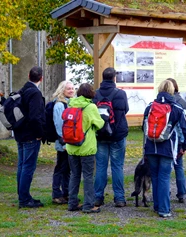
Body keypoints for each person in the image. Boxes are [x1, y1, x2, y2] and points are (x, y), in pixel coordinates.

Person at [143, 79, 186, 217]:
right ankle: (164, 209)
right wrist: (184, 145)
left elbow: (143, 128)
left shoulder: (150, 107)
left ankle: (157, 206)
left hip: (151, 146)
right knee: (164, 176)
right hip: (167, 147)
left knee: (155, 176)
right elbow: (184, 130)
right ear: (171, 90)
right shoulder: (177, 108)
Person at [94, 67, 129, 207]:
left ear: (103, 78)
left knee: (101, 166)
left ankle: (98, 197)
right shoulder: (121, 94)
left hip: (100, 134)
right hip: (117, 134)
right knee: (117, 166)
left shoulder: (95, 94)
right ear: (114, 78)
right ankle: (119, 198)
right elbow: (125, 109)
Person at [67, 83, 104, 213]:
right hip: (86, 147)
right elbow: (99, 124)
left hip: (71, 146)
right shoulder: (91, 107)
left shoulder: (71, 104)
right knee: (88, 176)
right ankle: (88, 205)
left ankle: (72, 203)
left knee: (74, 175)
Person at [14, 66, 46, 208]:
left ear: (28, 75)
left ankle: (23, 195)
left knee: (22, 165)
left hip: (20, 132)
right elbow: (34, 117)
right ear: (41, 78)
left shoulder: (23, 90)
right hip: (30, 135)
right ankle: (24, 199)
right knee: (28, 166)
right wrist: (39, 134)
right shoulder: (34, 93)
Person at [51, 81, 75, 204]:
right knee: (60, 169)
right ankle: (56, 194)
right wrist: (64, 143)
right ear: (62, 90)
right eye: (68, 89)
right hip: (63, 143)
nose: (71, 90)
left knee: (68, 170)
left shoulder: (71, 103)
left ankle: (66, 193)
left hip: (69, 142)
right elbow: (59, 125)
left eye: (72, 88)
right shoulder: (59, 105)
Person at [166, 78, 186, 203]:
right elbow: (183, 124)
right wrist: (184, 143)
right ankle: (182, 194)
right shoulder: (182, 102)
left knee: (166, 168)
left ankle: (166, 192)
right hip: (179, 140)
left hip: (169, 139)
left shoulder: (167, 102)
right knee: (179, 167)